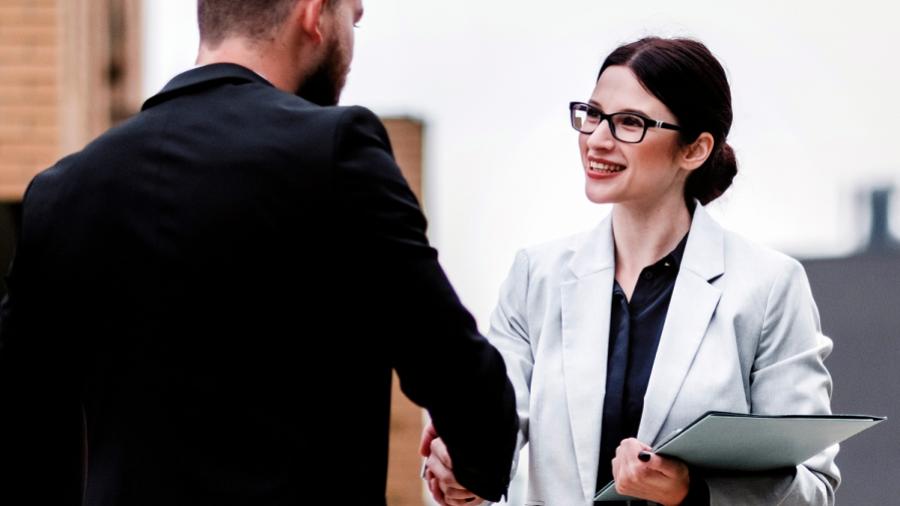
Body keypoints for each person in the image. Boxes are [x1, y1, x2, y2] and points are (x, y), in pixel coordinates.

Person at [0, 1, 519, 505]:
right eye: (351, 17)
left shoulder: (61, 192)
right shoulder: (335, 151)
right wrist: (471, 463)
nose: (353, 41)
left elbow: (23, 424)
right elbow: (465, 388)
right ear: (314, 15)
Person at [423, 37, 838, 506]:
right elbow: (496, 436)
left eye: (629, 123)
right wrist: (463, 471)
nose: (597, 138)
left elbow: (814, 490)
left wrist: (691, 491)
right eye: (594, 114)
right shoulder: (535, 277)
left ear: (695, 149)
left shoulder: (768, 287)